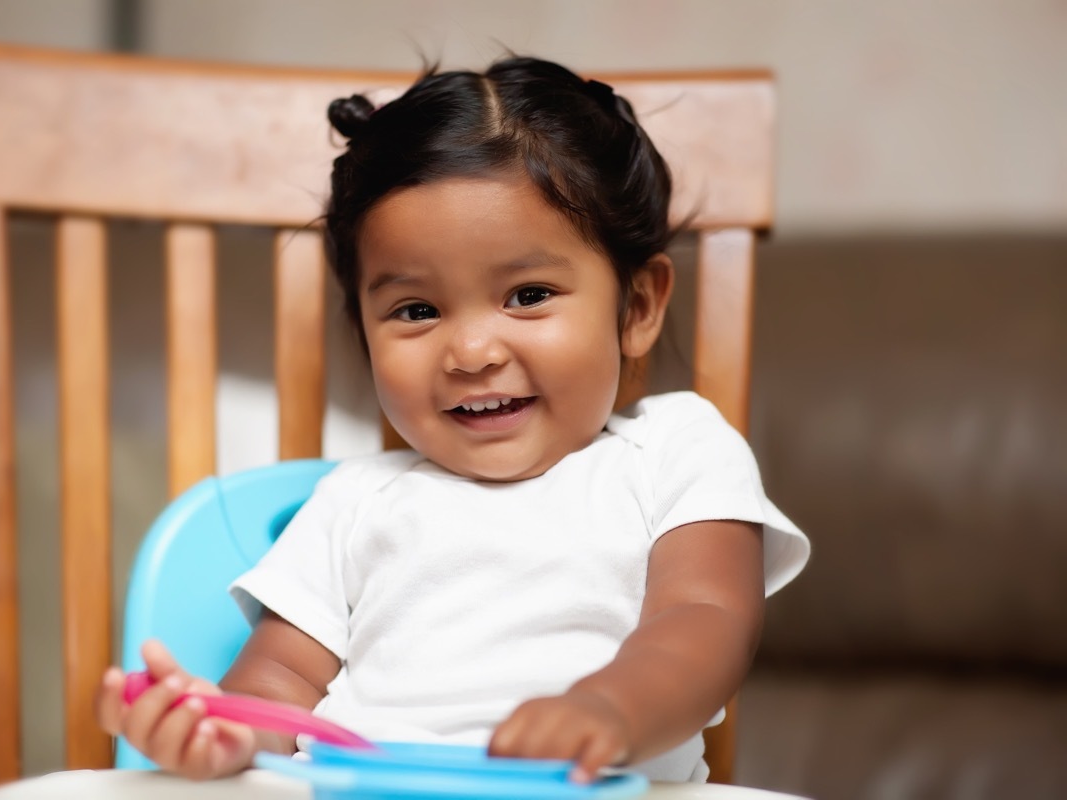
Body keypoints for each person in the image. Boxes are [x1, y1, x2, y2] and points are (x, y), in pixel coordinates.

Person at [95, 55, 809, 785]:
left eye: (529, 294)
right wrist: (222, 737)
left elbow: (705, 623)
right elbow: (276, 686)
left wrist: (611, 710)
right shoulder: (353, 502)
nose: (470, 351)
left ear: (637, 306)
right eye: (416, 311)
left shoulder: (675, 451)